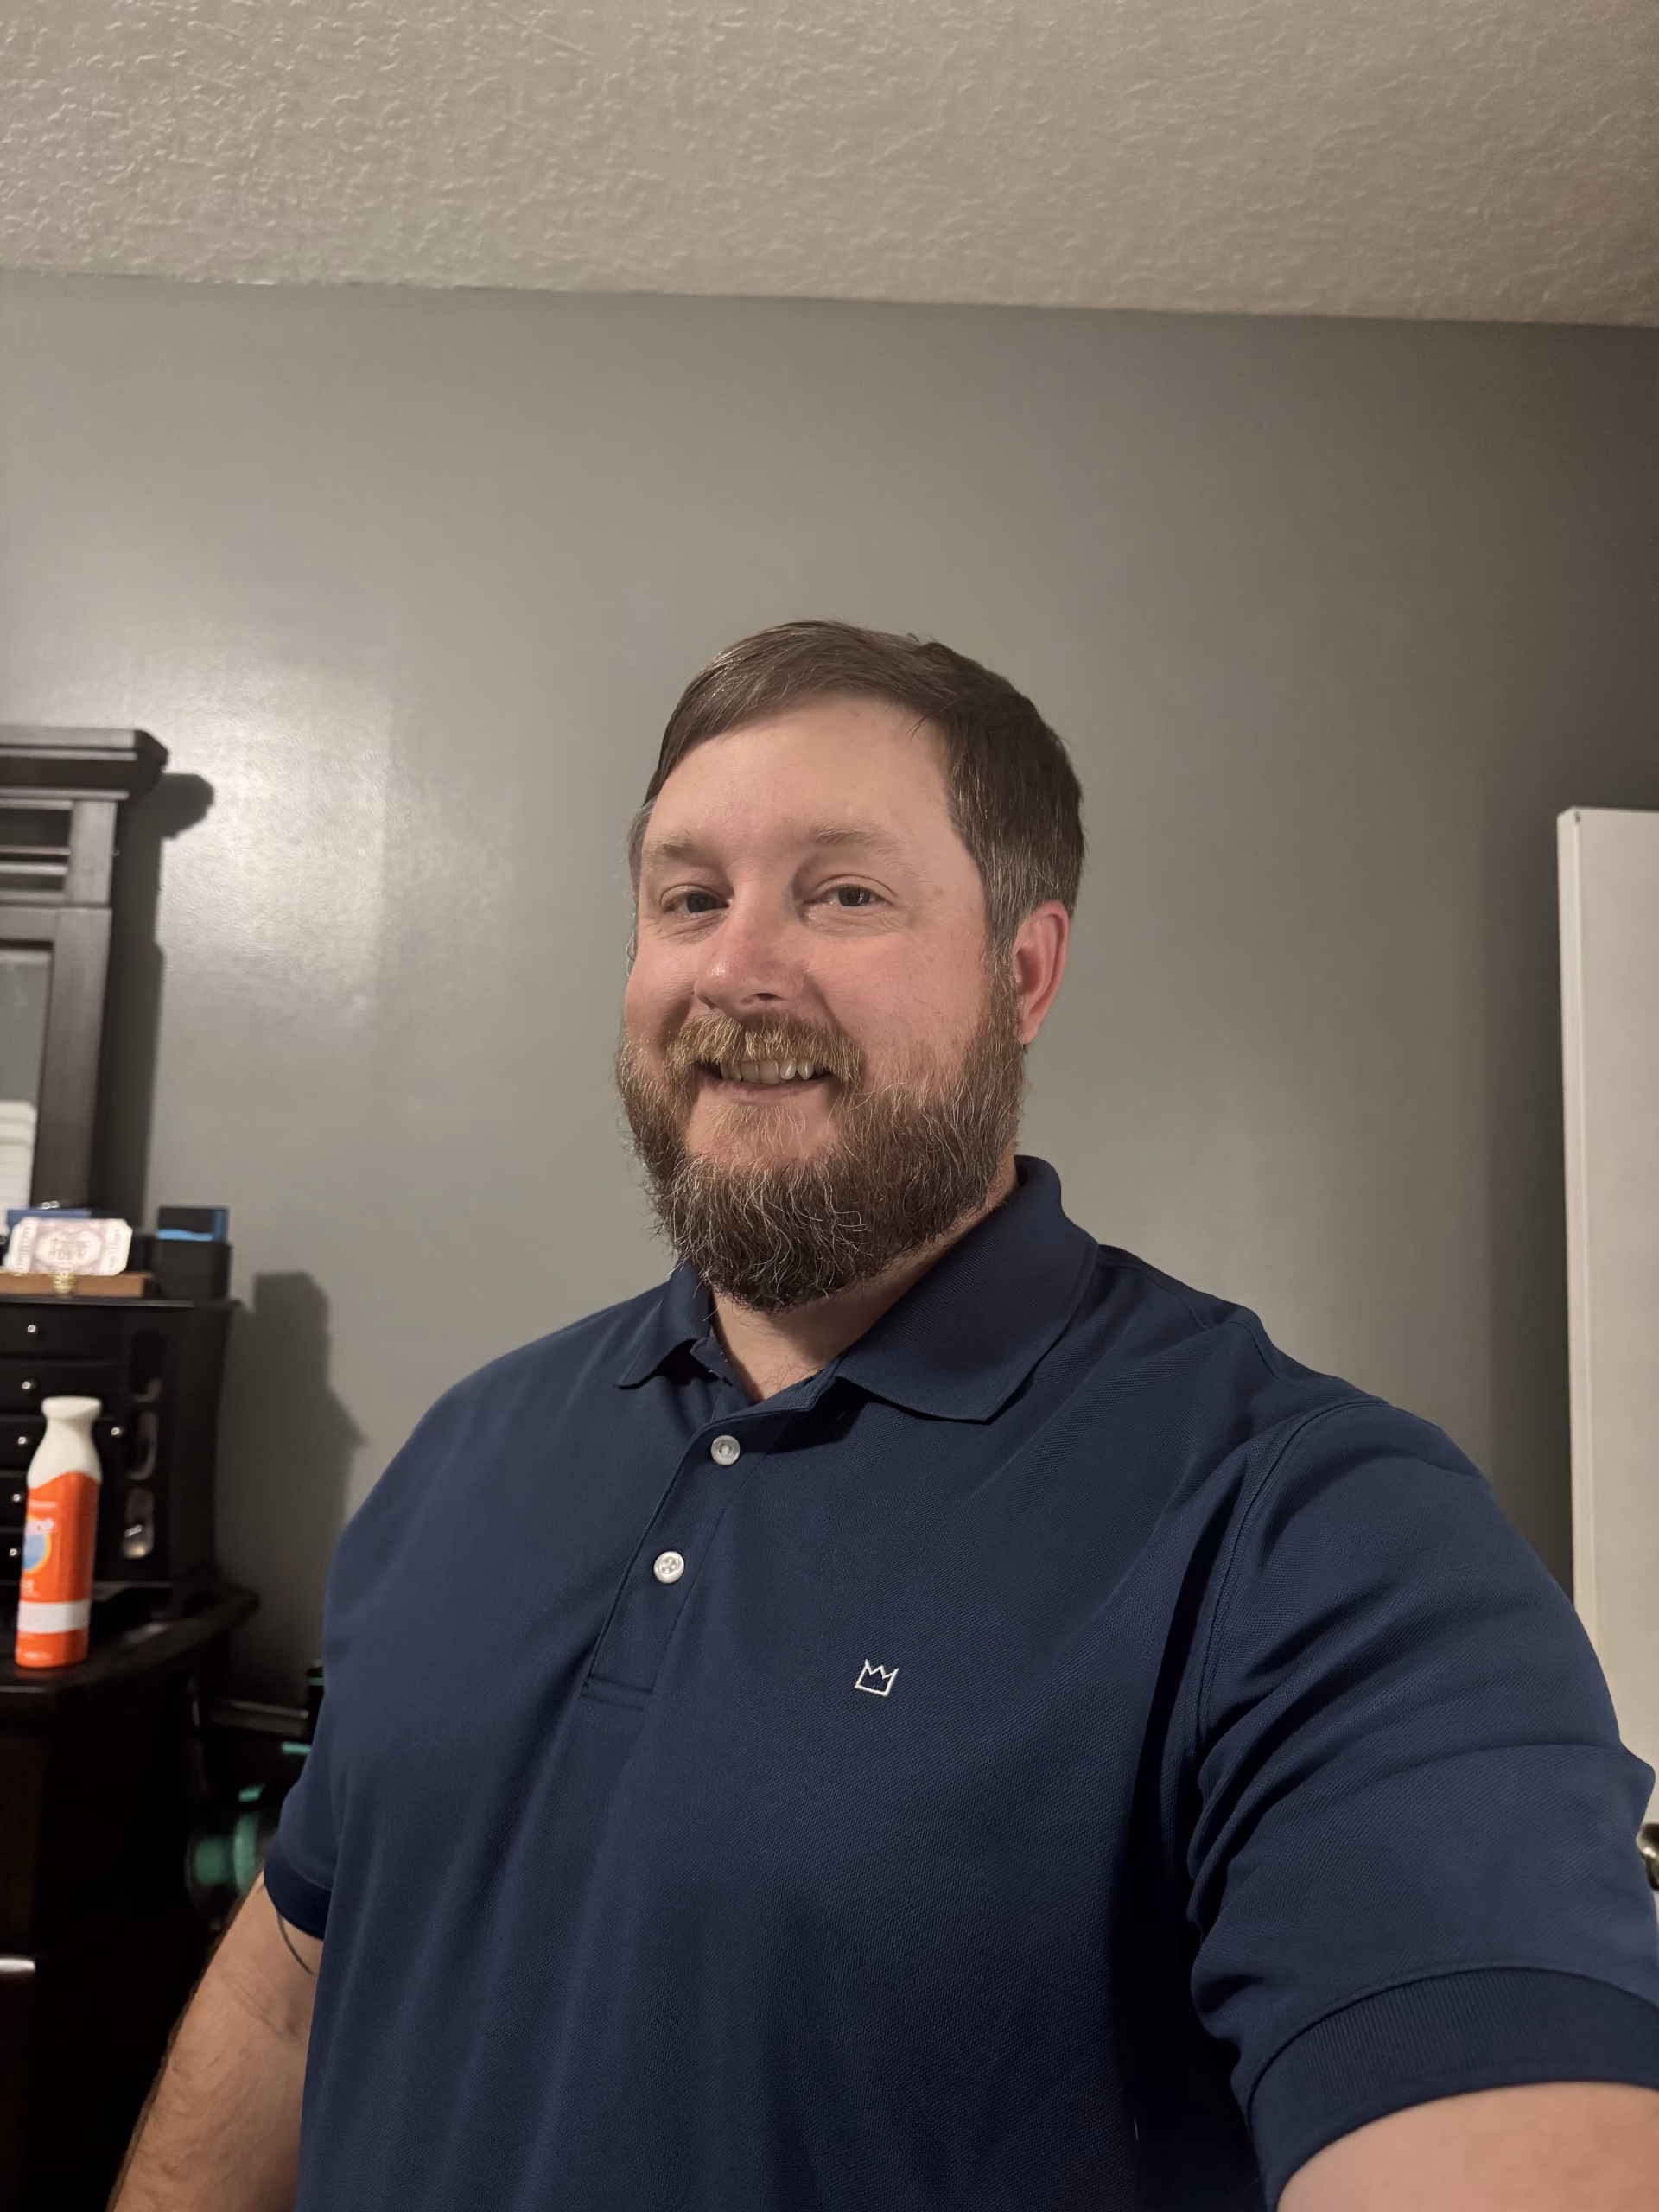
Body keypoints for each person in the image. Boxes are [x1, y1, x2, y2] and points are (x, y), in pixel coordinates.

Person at [114, 621, 1659, 2211]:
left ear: (1024, 973)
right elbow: (295, 1981)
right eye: (688, 898)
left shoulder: (1322, 1534)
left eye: (843, 893)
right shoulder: (467, 1453)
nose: (738, 968)